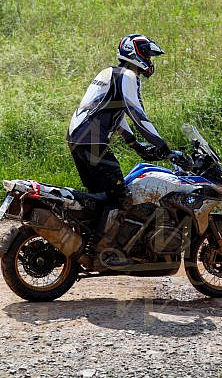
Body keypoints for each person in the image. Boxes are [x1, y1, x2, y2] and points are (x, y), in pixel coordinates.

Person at [66, 34, 171, 267]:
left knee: (100, 198)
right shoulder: (128, 76)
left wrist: (134, 144)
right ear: (135, 54)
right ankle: (103, 251)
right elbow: (137, 114)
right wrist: (161, 144)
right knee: (121, 196)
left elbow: (114, 113)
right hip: (92, 140)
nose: (149, 60)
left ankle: (87, 244)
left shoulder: (110, 73)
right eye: (147, 55)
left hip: (78, 138)